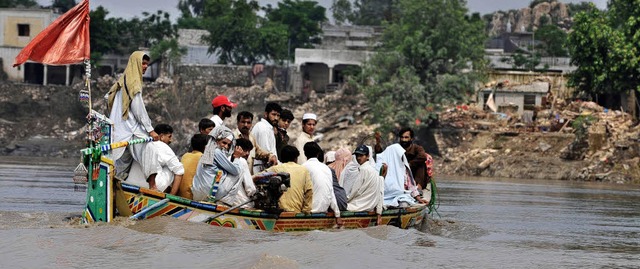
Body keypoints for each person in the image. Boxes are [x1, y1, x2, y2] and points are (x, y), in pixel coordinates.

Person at [107, 51, 160, 186]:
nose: (145, 66)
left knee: (121, 168)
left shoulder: (122, 80)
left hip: (119, 132)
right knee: (150, 151)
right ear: (135, 63)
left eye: (147, 64)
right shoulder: (134, 83)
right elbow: (139, 110)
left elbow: (108, 99)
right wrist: (150, 130)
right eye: (143, 63)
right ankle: (153, 186)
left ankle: (115, 192)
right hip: (131, 131)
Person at [125, 124, 183, 195]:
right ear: (161, 136)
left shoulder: (142, 143)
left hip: (131, 183)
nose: (170, 140)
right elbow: (179, 171)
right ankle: (168, 195)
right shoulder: (163, 146)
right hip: (149, 186)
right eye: (169, 136)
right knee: (173, 169)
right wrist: (172, 195)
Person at [191, 125, 246, 201]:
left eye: (229, 145)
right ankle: (226, 202)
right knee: (240, 169)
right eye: (224, 143)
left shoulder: (208, 150)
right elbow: (235, 171)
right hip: (210, 194)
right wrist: (237, 157)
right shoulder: (216, 151)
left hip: (198, 193)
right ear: (217, 141)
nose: (226, 147)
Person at [259, 145, 313, 213]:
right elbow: (309, 191)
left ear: (282, 158)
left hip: (278, 212)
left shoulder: (275, 169)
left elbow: (256, 178)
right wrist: (306, 211)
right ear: (296, 158)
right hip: (296, 212)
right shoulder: (304, 170)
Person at [302, 142, 342, 225]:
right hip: (324, 209)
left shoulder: (303, 167)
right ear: (318, 154)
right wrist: (337, 215)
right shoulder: (326, 168)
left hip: (310, 210)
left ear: (305, 153)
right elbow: (331, 192)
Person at [346, 145, 384, 225]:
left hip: (360, 205)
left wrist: (345, 201)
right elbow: (381, 191)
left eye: (361, 155)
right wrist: (379, 213)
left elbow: (355, 191)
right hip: (370, 205)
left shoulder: (364, 170)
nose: (358, 158)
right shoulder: (373, 170)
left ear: (367, 156)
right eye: (357, 155)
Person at [217, 138, 257, 208]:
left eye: (248, 151)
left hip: (222, 200)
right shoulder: (242, 161)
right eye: (245, 150)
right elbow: (250, 188)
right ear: (236, 148)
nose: (247, 153)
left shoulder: (225, 159)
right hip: (241, 203)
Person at [234, 111, 276, 175]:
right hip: (237, 175)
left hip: (249, 175)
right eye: (243, 122)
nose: (246, 125)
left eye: (248, 123)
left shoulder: (251, 138)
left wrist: (270, 155)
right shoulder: (233, 137)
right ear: (238, 122)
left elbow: (258, 152)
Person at [250, 102, 282, 174]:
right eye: (273, 114)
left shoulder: (268, 128)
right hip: (261, 169)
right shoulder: (263, 128)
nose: (276, 118)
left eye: (278, 115)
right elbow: (266, 154)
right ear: (266, 114)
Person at [178, 134, 208, 199]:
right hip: (190, 196)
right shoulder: (202, 158)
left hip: (179, 193)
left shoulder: (185, 155)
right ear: (206, 147)